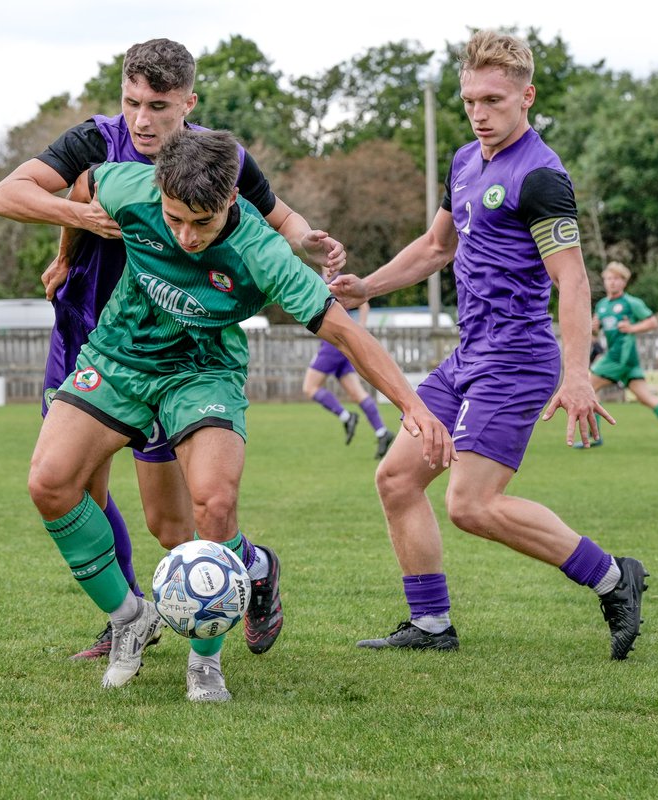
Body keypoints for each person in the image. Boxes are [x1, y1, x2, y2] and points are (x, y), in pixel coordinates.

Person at [31, 128, 453, 701]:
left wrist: (414, 407)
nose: (185, 236)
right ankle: (131, 616)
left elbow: (345, 332)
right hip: (118, 357)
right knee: (49, 483)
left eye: (201, 223)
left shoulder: (263, 253)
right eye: (174, 218)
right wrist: (64, 254)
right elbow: (81, 188)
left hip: (203, 373)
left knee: (214, 504)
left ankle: (205, 662)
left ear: (232, 200)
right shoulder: (128, 185)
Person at [0, 38, 345, 661]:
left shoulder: (211, 160)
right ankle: (126, 617)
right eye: (132, 103)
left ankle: (251, 566)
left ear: (188, 103)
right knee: (74, 487)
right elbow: (7, 196)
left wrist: (308, 242)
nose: (142, 120)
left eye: (158, 105)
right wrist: (75, 238)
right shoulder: (95, 142)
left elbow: (278, 219)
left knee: (170, 525)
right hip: (87, 335)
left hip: (174, 354)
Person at [328, 30, 648, 661]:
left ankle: (614, 576)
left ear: (526, 97)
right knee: (396, 479)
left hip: (520, 356)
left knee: (470, 505)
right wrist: (368, 285)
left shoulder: (542, 176)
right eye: (470, 100)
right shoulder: (465, 161)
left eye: (494, 101)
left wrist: (577, 373)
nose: (479, 113)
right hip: (468, 353)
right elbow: (435, 247)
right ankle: (431, 624)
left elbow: (573, 279)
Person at [580, 262, 658, 452]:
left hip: (619, 357)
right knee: (646, 397)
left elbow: (653, 322)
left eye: (616, 279)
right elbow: (598, 331)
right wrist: (593, 328)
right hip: (628, 360)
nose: (612, 283)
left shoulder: (631, 303)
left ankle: (594, 436)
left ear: (624, 282)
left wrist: (632, 328)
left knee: (588, 386)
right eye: (608, 278)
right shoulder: (603, 305)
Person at [303, 301, 395, 458]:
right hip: (340, 342)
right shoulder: (329, 279)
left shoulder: (335, 279)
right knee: (357, 393)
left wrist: (360, 328)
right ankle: (382, 432)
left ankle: (346, 417)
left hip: (332, 343)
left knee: (310, 388)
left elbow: (364, 303)